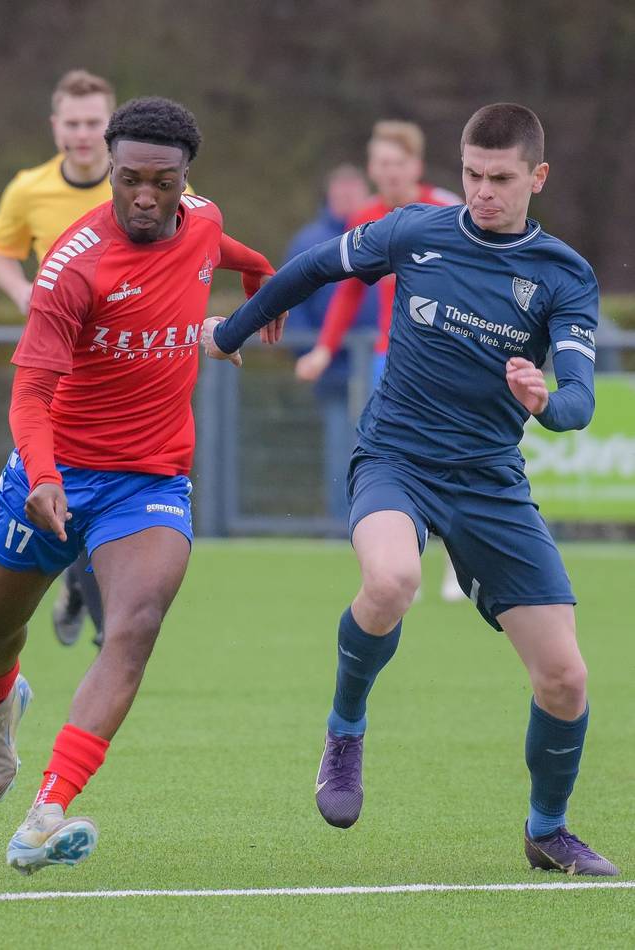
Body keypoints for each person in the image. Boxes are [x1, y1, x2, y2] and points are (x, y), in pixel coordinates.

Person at [204, 103, 618, 876]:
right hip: (395, 458)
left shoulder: (563, 274)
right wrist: (230, 333)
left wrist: (544, 401)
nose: (483, 191)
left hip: (490, 481)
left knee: (565, 679)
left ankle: (547, 830)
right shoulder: (415, 231)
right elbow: (315, 267)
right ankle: (345, 730)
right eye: (472, 174)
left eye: (501, 178)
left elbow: (580, 403)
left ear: (538, 176)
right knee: (393, 579)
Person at [0, 96, 278, 876]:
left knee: (135, 624)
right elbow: (29, 395)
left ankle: (46, 813)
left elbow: (218, 244)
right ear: (110, 169)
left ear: (185, 181)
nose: (144, 196)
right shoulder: (71, 269)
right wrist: (43, 475)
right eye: (129, 179)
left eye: (162, 183)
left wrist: (258, 272)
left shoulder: (201, 219)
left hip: (149, 479)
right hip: (53, 473)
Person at [297, 121, 465, 600]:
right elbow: (349, 290)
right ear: (372, 167)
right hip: (388, 360)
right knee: (389, 458)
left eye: (398, 163)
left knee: (452, 454)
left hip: (447, 359)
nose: (389, 172)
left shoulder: (448, 209)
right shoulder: (366, 217)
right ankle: (399, 562)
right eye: (382, 163)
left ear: (416, 165)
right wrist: (325, 347)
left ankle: (458, 559)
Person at [0, 69, 118, 649]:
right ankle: (96, 608)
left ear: (112, 127)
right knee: (68, 473)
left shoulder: (139, 183)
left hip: (127, 362)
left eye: (94, 123)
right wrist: (23, 292)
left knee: (117, 478)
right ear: (55, 126)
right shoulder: (28, 188)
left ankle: (85, 592)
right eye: (73, 123)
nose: (83, 135)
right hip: (60, 362)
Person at [283, 164, 375, 521]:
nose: (348, 199)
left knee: (385, 453)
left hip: (384, 366)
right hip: (335, 373)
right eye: (342, 191)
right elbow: (291, 303)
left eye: (354, 191)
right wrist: (312, 353)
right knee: (341, 452)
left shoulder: (380, 236)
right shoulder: (310, 242)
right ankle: (341, 525)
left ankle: (379, 522)